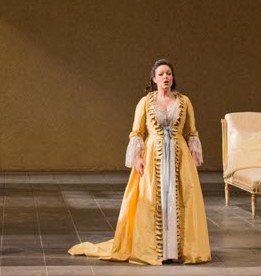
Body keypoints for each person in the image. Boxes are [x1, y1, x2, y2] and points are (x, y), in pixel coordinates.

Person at [69, 59, 211, 265]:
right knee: (152, 201)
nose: (165, 77)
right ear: (154, 79)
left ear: (173, 77)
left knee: (180, 201)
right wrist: (137, 157)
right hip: (153, 158)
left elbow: (192, 131)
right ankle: (156, 250)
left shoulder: (184, 101)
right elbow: (137, 132)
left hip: (180, 158)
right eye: (161, 74)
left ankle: (177, 250)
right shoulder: (145, 102)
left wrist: (195, 153)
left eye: (168, 73)